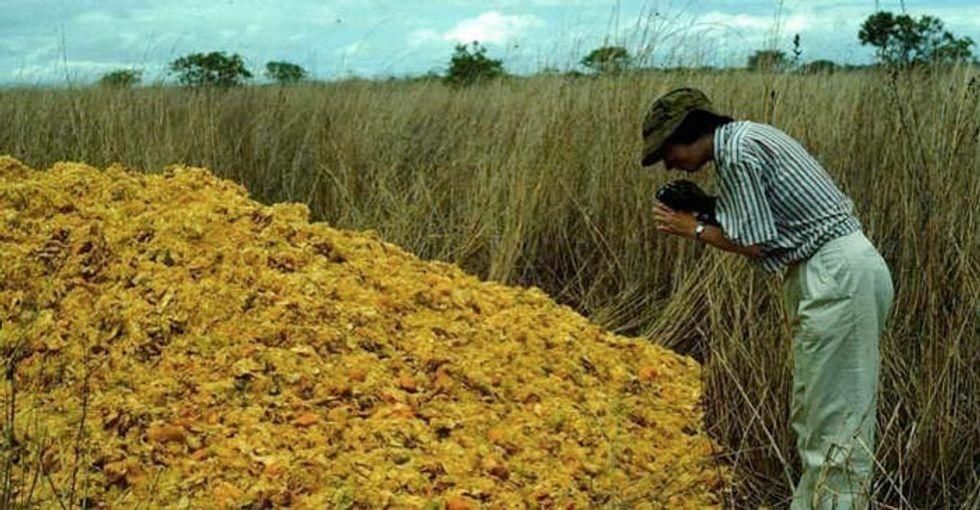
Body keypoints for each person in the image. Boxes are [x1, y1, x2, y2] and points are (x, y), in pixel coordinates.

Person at [641, 87, 894, 509]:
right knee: (814, 416)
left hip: (836, 275)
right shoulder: (745, 140)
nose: (668, 164)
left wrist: (695, 229)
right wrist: (708, 206)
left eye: (667, 151)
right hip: (832, 273)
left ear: (688, 132)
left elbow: (757, 243)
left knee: (837, 424)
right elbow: (767, 218)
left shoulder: (738, 153)